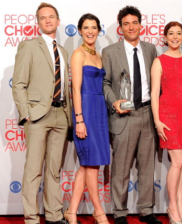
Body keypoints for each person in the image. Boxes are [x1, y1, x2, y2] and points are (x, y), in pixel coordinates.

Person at [12, 2, 72, 224]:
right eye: (43, 18)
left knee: (54, 170)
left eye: (51, 17)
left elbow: (65, 86)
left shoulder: (64, 51)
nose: (47, 20)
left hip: (60, 115)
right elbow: (18, 83)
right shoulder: (28, 46)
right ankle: (31, 218)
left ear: (57, 20)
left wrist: (69, 116)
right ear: (38, 23)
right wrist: (26, 113)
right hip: (37, 116)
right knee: (34, 169)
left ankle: (54, 215)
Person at [102, 5, 162, 224]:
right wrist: (113, 100)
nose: (131, 27)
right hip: (123, 116)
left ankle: (147, 210)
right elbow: (105, 82)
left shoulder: (150, 49)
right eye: (126, 23)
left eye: (134, 22)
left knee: (147, 166)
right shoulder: (110, 52)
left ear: (140, 25)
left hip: (147, 112)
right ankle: (119, 212)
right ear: (120, 28)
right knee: (121, 167)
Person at [63, 13, 110, 224]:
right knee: (91, 165)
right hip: (86, 111)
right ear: (80, 30)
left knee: (87, 165)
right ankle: (99, 211)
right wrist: (79, 119)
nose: (90, 31)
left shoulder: (98, 56)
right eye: (86, 27)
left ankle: (71, 211)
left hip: (100, 111)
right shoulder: (78, 54)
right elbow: (76, 89)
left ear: (98, 31)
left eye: (94, 27)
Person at [151, 21, 182, 224]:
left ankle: (180, 206)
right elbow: (154, 94)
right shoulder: (160, 61)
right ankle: (172, 208)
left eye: (178, 33)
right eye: (171, 33)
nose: (175, 37)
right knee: (176, 162)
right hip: (169, 117)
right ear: (165, 37)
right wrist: (157, 121)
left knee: (181, 164)